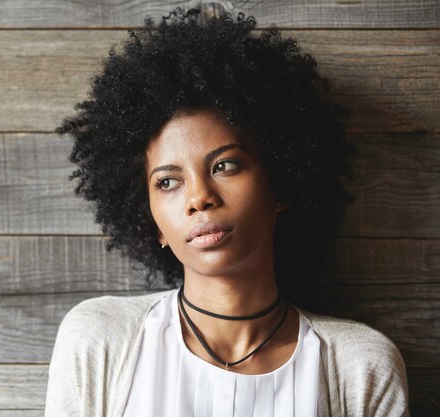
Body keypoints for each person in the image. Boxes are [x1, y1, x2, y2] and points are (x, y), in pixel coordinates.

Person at [45, 8, 409, 417]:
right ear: (152, 223)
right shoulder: (100, 337)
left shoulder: (360, 365)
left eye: (225, 165)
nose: (199, 197)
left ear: (281, 184)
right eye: (168, 181)